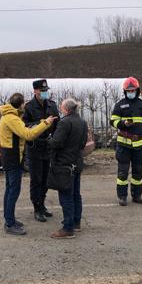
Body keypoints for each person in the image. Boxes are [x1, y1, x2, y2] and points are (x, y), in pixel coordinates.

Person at [0, 93, 56, 235]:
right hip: (13, 158)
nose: (25, 105)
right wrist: (46, 123)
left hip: (10, 157)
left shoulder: (9, 116)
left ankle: (10, 219)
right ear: (20, 104)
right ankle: (9, 223)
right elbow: (28, 135)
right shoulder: (12, 118)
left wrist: (41, 123)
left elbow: (24, 130)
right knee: (13, 191)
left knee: (10, 189)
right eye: (23, 103)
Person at [48, 97, 88, 239]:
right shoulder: (82, 122)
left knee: (66, 196)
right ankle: (76, 223)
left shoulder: (64, 122)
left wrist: (48, 140)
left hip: (64, 164)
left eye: (61, 107)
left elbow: (56, 143)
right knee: (76, 194)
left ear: (65, 109)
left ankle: (68, 228)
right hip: (76, 162)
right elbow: (83, 143)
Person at [22, 79, 60, 222]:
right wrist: (42, 123)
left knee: (45, 179)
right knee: (36, 180)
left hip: (48, 147)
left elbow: (57, 125)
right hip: (35, 148)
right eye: (42, 90)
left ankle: (42, 205)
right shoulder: (29, 107)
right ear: (35, 91)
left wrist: (55, 140)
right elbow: (24, 125)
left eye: (46, 90)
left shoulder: (52, 105)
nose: (44, 93)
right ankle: (37, 208)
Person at [111, 77, 142, 205]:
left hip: (140, 145)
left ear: (137, 90)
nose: (131, 92)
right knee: (122, 173)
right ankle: (122, 197)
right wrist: (123, 123)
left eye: (133, 90)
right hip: (124, 145)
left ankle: (137, 196)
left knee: (138, 172)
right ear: (125, 91)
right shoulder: (119, 105)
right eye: (128, 91)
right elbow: (113, 121)